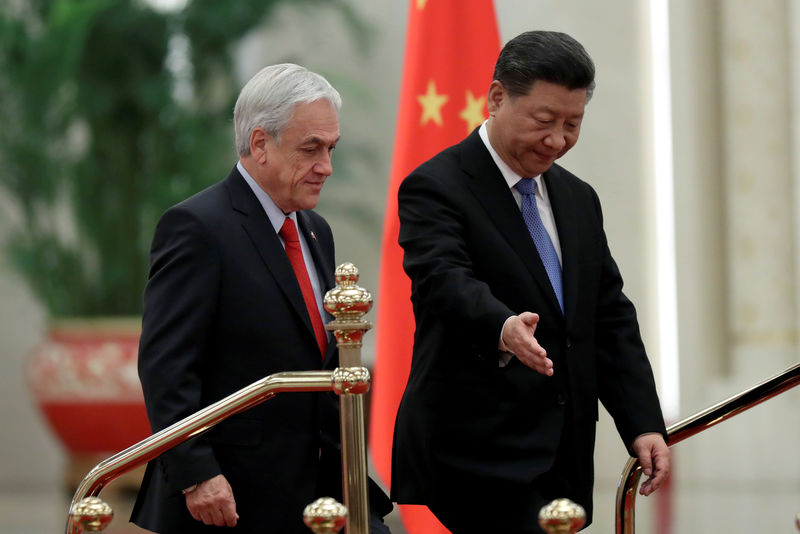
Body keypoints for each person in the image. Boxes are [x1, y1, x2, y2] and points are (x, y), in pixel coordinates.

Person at [390, 31, 670, 533]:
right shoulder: (436, 185)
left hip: (563, 454)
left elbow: (607, 316)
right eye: (544, 121)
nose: (558, 140)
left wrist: (642, 421)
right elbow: (442, 279)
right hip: (476, 450)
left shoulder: (577, 198)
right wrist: (501, 325)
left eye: (572, 124)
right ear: (497, 98)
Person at [131, 63, 392, 533]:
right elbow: (166, 366)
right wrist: (198, 475)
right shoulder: (197, 227)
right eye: (310, 148)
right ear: (259, 144)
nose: (326, 167)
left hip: (322, 492)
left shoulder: (315, 230)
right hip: (229, 501)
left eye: (331, 148)